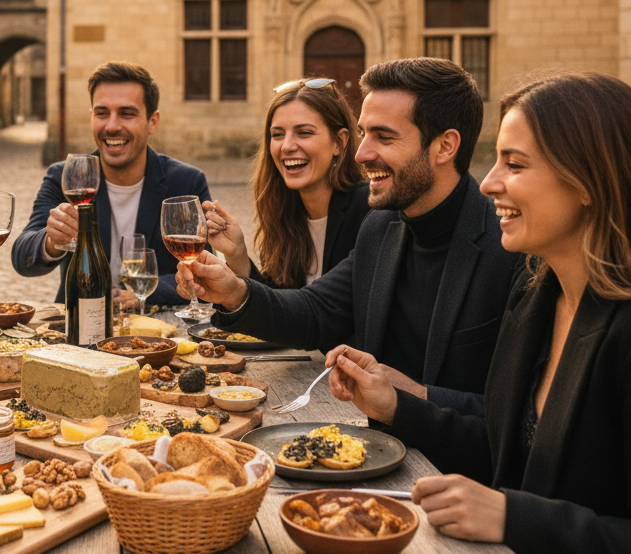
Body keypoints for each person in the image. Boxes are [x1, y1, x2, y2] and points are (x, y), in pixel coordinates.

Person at [327, 72, 631, 554]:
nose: (488, 183)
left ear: (588, 180)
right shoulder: (536, 297)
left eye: (514, 165)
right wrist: (400, 402)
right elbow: (500, 436)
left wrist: (513, 517)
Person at [178, 57, 524, 406]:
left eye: (383, 137)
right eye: (363, 133)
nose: (361, 154)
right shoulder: (382, 226)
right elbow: (314, 311)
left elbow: (516, 420)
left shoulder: (512, 249)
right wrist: (233, 291)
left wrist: (415, 397)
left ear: (445, 146)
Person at [12, 60, 210, 309]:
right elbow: (22, 258)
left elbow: (203, 271)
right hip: (80, 322)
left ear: (152, 122)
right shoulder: (66, 177)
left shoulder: (186, 182)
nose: (112, 126)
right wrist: (52, 241)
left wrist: (146, 292)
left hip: (159, 326)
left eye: (127, 114)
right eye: (102, 113)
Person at [204, 77, 369, 288]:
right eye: (278, 134)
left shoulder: (367, 211)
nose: (287, 146)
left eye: (304, 133)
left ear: (339, 142)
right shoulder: (285, 212)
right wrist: (237, 254)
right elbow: (279, 307)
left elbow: (330, 311)